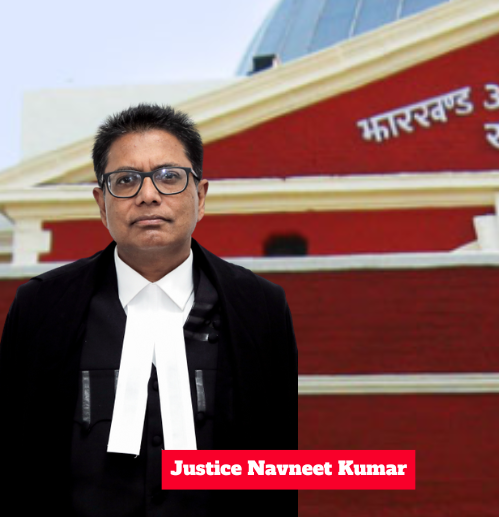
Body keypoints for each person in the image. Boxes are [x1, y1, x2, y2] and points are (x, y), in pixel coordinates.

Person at [0, 104, 298, 515]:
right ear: (101, 203)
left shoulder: (259, 309)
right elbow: (14, 457)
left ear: (201, 196)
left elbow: (276, 464)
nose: (148, 195)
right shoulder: (42, 308)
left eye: (169, 176)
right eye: (125, 180)